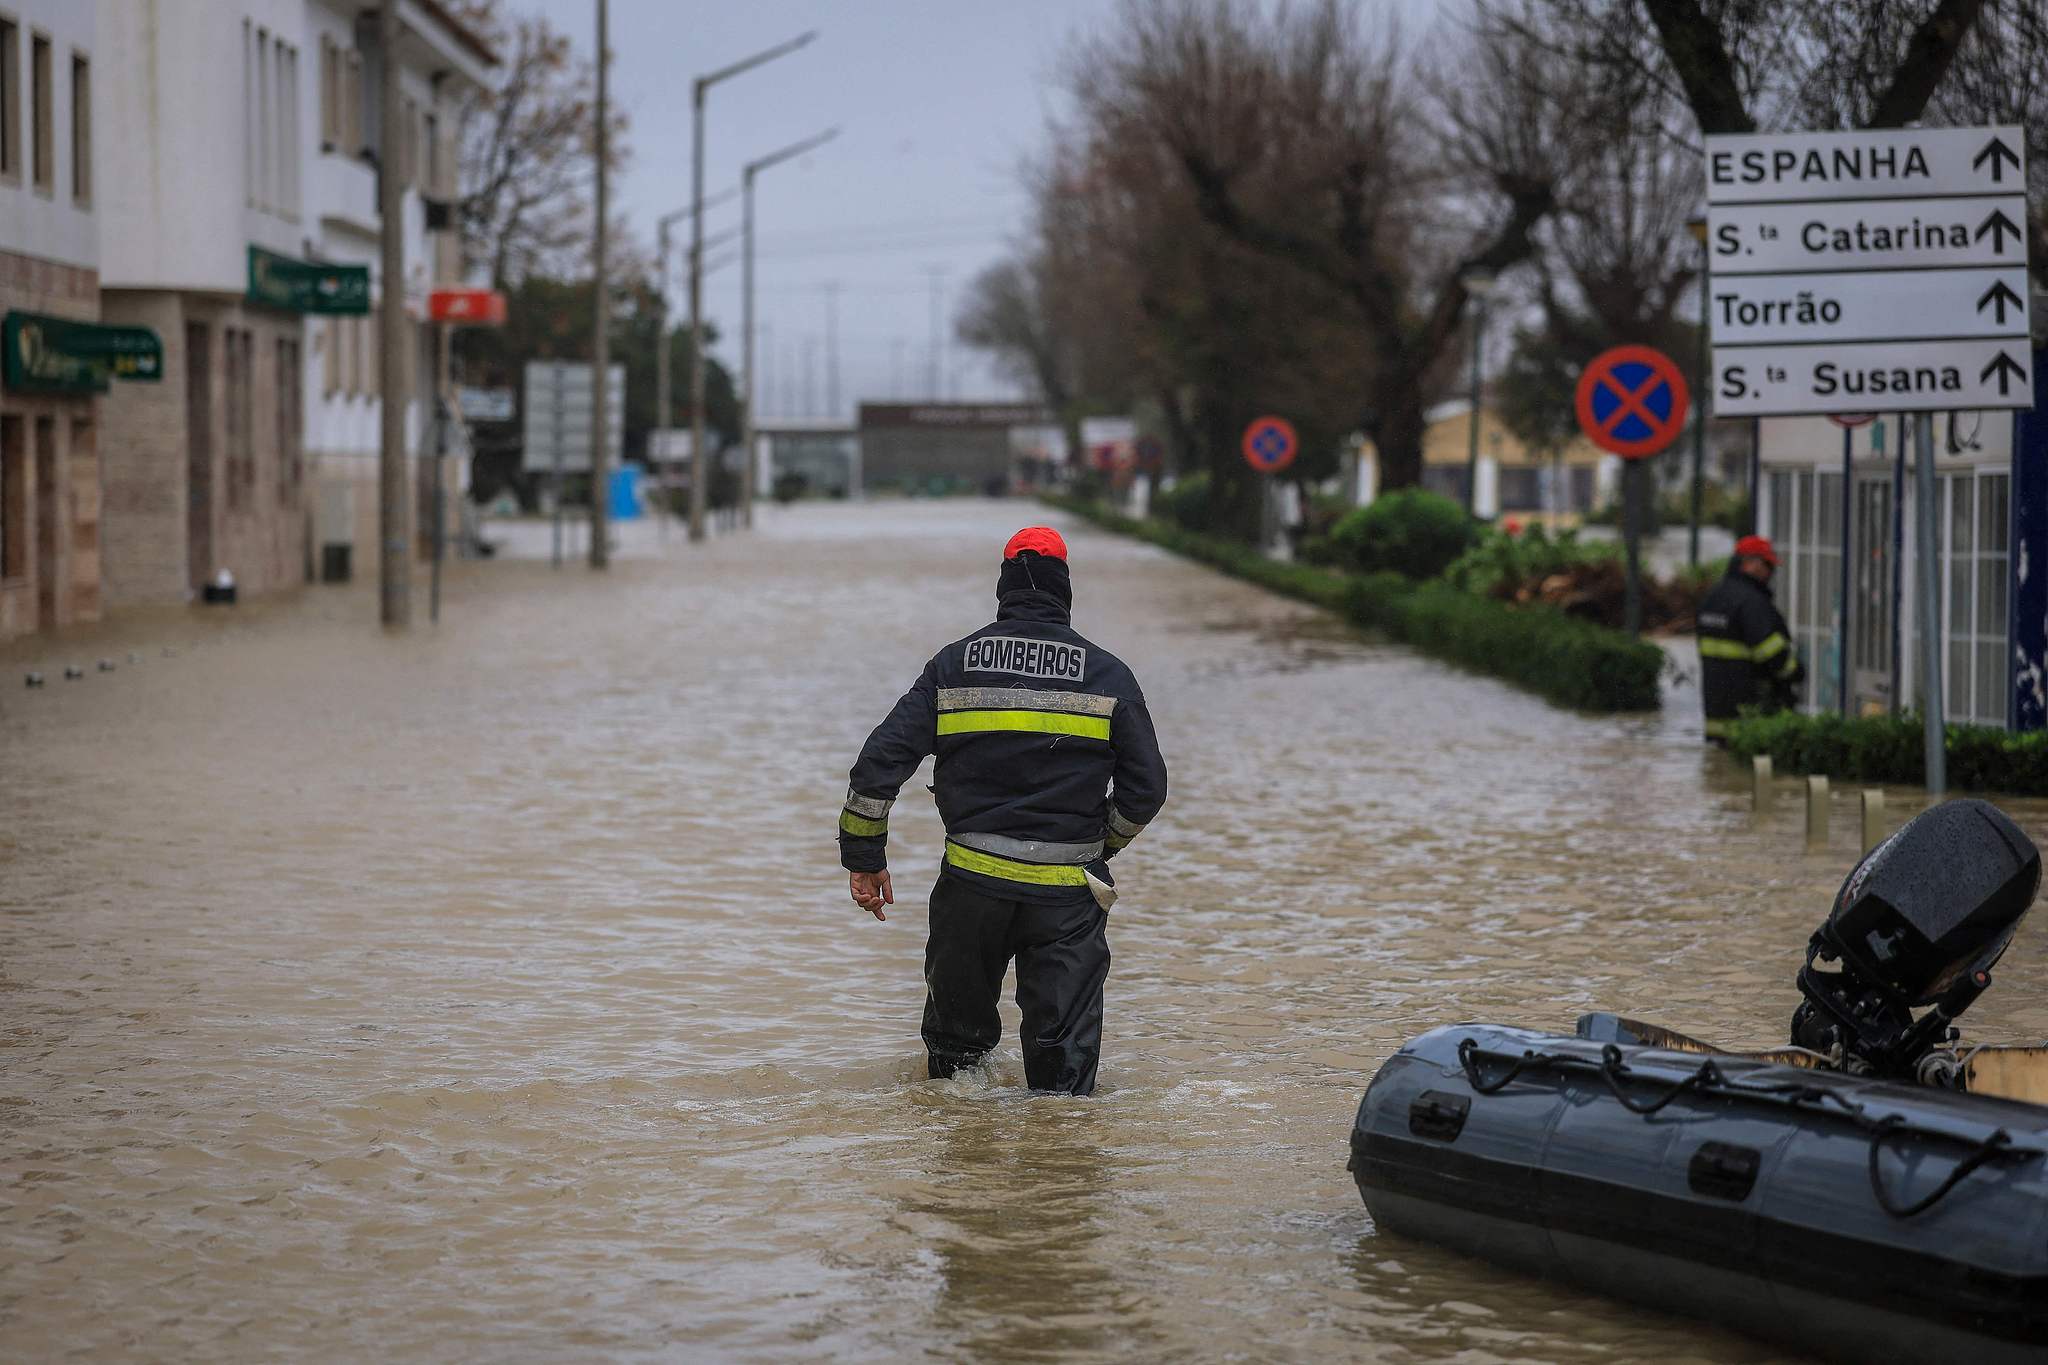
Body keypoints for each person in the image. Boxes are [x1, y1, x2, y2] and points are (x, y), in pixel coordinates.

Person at [838, 526, 1168, 1096]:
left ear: (1003, 588)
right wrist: (1099, 845)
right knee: (1062, 1089)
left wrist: (864, 857)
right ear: (1065, 589)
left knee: (954, 1071)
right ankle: (1056, 1177)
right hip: (1069, 899)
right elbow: (1148, 788)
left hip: (971, 889)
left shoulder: (952, 666)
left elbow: (878, 765)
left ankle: (960, 1178)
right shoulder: (1108, 675)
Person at [1698, 534, 1805, 742]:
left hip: (1715, 710)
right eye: (1768, 565)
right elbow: (1771, 653)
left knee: (1720, 767)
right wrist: (1796, 672)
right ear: (1750, 564)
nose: (1770, 572)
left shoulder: (1712, 597)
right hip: (1750, 704)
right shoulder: (1751, 603)